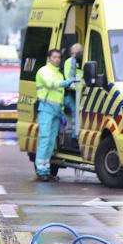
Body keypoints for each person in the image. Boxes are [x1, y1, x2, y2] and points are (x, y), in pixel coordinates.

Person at [35, 49, 76, 181]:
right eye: (54, 57)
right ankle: (41, 171)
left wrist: (62, 112)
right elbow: (50, 84)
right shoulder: (43, 71)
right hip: (46, 109)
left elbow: (60, 95)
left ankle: (46, 170)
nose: (57, 59)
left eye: (59, 57)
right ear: (49, 58)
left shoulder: (59, 74)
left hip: (56, 111)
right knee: (44, 139)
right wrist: (66, 83)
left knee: (51, 142)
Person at [63, 43, 82, 139]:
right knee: (75, 110)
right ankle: (75, 137)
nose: (74, 56)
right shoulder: (69, 62)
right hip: (70, 93)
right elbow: (69, 78)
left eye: (76, 53)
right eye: (72, 53)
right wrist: (77, 86)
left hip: (79, 93)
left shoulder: (82, 61)